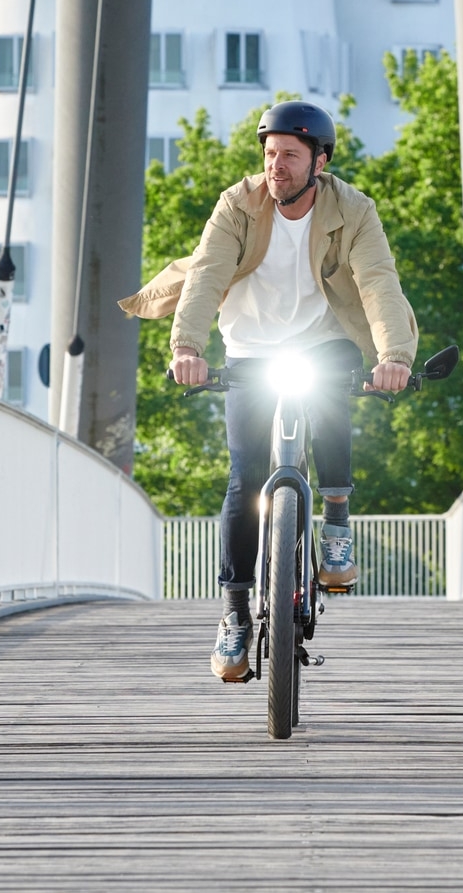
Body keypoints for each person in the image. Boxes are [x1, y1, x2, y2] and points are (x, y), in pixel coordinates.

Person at [119, 101, 417, 682]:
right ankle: (234, 614)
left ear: (319, 161)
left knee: (333, 394)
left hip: (321, 340)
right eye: (269, 153)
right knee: (244, 474)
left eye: (290, 155)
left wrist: (393, 358)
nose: (275, 165)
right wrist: (188, 349)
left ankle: (335, 519)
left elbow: (379, 281)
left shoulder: (353, 210)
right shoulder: (239, 204)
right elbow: (205, 273)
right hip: (251, 349)